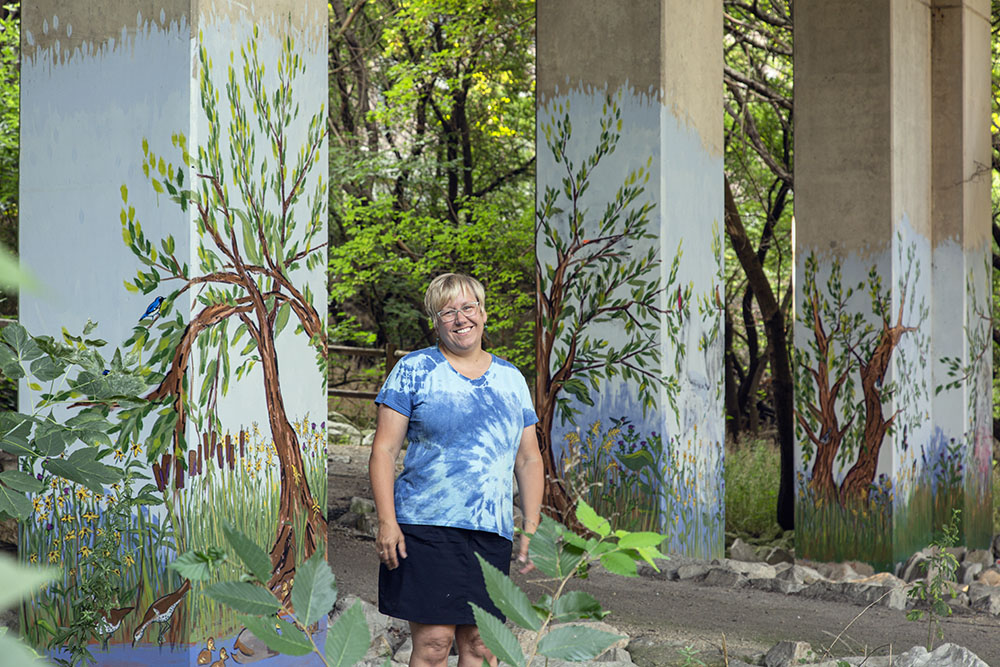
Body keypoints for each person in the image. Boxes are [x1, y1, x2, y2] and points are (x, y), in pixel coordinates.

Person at [369, 273, 544, 667]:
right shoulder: (413, 370)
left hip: (490, 531)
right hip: (425, 527)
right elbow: (383, 450)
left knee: (483, 646)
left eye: (468, 308)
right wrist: (386, 522)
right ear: (435, 321)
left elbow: (528, 459)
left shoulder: (512, 379)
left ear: (483, 314)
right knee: (433, 643)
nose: (460, 318)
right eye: (447, 312)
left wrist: (531, 526)